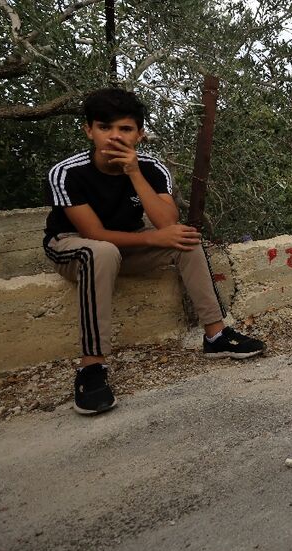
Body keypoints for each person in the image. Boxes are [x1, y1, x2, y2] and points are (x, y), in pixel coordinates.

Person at [43, 88, 265, 415]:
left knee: (184, 239)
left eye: (126, 129)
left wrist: (133, 172)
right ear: (88, 130)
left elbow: (167, 222)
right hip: (73, 246)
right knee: (102, 252)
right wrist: (153, 240)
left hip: (128, 243)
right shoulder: (67, 173)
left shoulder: (151, 168)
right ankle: (91, 368)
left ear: (140, 134)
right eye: (105, 127)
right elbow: (94, 234)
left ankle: (216, 335)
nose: (115, 136)